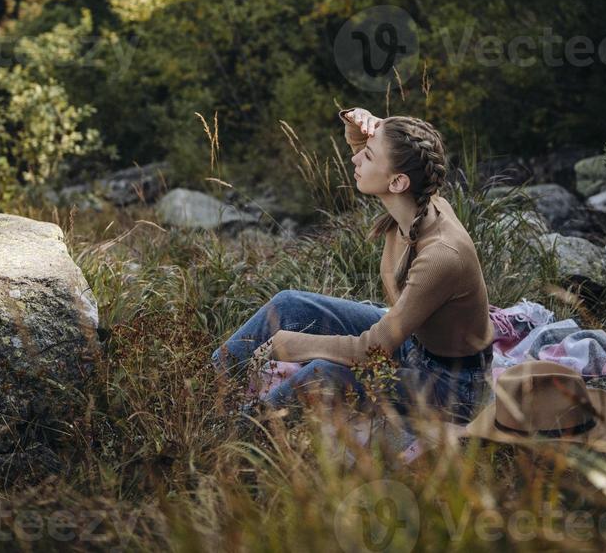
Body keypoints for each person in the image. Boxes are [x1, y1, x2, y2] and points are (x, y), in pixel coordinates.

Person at [210, 105, 495, 431]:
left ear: (399, 182)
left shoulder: (442, 256)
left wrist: (296, 345)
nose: (354, 159)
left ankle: (236, 436)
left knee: (322, 373)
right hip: (413, 342)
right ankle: (206, 389)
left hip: (452, 387)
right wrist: (360, 133)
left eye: (368, 156)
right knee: (289, 305)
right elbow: (390, 165)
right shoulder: (416, 200)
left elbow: (371, 350)